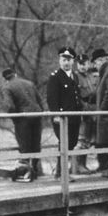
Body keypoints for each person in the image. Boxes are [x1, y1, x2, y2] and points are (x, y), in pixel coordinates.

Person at [0, 67, 44, 182]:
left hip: (23, 118)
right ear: (15, 74)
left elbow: (10, 106)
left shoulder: (7, 87)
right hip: (37, 115)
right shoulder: (29, 83)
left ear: (5, 79)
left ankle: (26, 173)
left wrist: (16, 118)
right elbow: (40, 101)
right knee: (36, 145)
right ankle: (34, 171)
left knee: (24, 146)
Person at [46, 46, 82, 178]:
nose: (66, 63)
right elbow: (51, 98)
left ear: (73, 61)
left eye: (68, 60)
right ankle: (62, 174)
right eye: (63, 59)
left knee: (71, 143)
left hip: (74, 117)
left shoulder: (75, 76)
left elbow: (77, 97)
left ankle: (61, 172)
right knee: (64, 143)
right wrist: (55, 114)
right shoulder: (55, 77)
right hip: (62, 117)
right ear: (59, 60)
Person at [74, 53, 99, 174]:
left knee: (91, 139)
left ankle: (84, 164)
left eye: (85, 63)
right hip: (84, 109)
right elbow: (77, 96)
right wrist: (84, 109)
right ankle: (78, 165)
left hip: (94, 108)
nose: (83, 66)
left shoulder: (91, 76)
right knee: (82, 139)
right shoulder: (75, 77)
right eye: (80, 64)